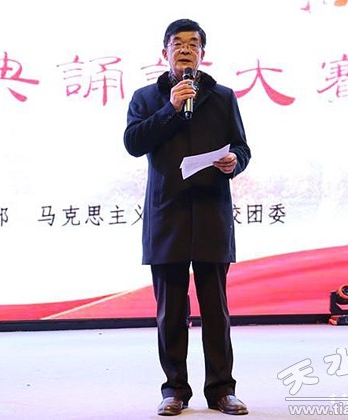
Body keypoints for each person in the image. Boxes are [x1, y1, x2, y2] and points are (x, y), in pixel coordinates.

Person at [123, 18, 251, 416]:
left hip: (211, 212)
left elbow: (242, 148)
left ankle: (222, 390)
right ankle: (174, 390)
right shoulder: (147, 98)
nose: (185, 50)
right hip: (168, 215)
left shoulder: (223, 97)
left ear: (202, 54)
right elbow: (133, 142)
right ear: (164, 53)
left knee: (216, 311)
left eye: (192, 44)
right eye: (177, 44)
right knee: (171, 313)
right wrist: (172, 108)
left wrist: (234, 161)